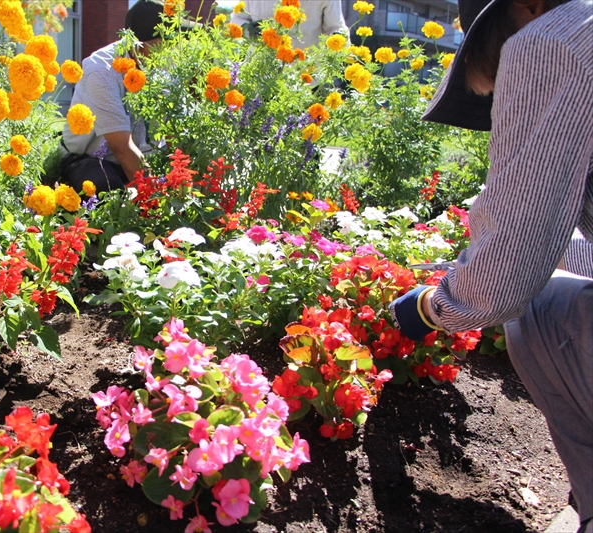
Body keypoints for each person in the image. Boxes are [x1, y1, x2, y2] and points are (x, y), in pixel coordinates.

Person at [387, 0, 592, 531]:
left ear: (526, 7)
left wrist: (433, 306)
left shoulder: (554, 39)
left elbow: (504, 281)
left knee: (539, 310)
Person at [59, 0, 189, 193]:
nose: (173, 49)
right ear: (140, 47)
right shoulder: (101, 70)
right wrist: (157, 201)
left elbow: (173, 134)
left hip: (142, 156)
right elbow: (122, 147)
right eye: (167, 44)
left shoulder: (161, 68)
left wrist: (182, 183)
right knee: (106, 189)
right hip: (91, 159)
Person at [230, 0, 348, 48]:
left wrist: (338, 38)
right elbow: (237, 19)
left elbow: (336, 27)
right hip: (261, 76)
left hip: (307, 79)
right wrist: (246, 29)